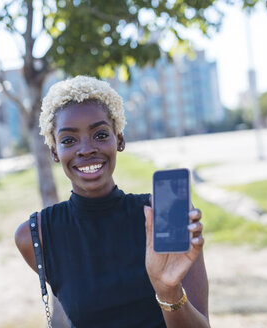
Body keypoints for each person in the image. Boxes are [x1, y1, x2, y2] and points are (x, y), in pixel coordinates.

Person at [15, 76, 209, 328]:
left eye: (100, 134)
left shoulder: (164, 216)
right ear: (54, 151)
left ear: (119, 140)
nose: (86, 149)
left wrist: (167, 289)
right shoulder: (36, 235)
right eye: (69, 140)